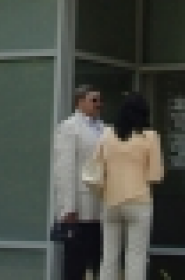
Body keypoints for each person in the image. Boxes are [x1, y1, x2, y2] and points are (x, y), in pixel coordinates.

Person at [96, 93, 164, 280]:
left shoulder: (107, 134)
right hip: (138, 200)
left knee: (109, 257)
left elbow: (98, 166)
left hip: (110, 200)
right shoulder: (150, 136)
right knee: (136, 256)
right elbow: (155, 176)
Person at [54, 85, 105, 280]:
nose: (99, 104)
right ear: (80, 102)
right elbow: (65, 169)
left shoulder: (103, 128)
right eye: (94, 100)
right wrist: (68, 207)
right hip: (80, 207)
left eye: (100, 100)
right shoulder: (69, 127)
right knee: (75, 263)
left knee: (96, 260)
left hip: (100, 205)